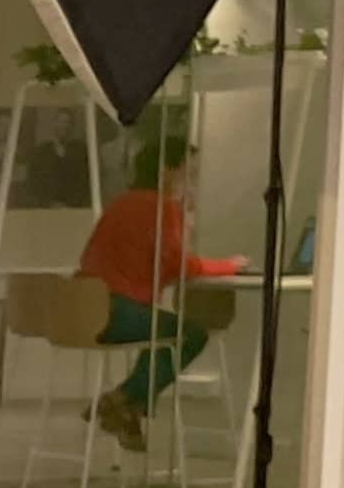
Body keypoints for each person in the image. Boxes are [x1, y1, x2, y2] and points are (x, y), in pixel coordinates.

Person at [77, 132, 241, 453]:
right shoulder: (161, 208)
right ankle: (120, 400)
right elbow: (182, 267)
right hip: (115, 310)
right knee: (189, 335)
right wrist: (229, 265)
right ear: (168, 171)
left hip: (85, 308)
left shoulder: (122, 204)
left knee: (163, 332)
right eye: (188, 173)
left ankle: (127, 407)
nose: (191, 182)